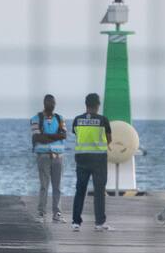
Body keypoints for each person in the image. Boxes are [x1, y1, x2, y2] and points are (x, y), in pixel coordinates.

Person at [70, 93, 112, 232]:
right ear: (98, 105)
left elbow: (76, 134)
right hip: (98, 159)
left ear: (86, 104)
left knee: (80, 190)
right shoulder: (103, 120)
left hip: (81, 158)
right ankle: (99, 223)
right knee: (99, 191)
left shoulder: (77, 120)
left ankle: (76, 222)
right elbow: (109, 139)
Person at [30, 95, 67, 223]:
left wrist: (47, 135)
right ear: (45, 103)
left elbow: (64, 135)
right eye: (50, 103)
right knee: (44, 186)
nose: (52, 105)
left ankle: (57, 213)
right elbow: (38, 137)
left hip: (58, 157)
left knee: (58, 186)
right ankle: (41, 213)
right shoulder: (36, 119)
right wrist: (56, 136)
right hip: (43, 156)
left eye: (53, 103)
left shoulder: (60, 118)